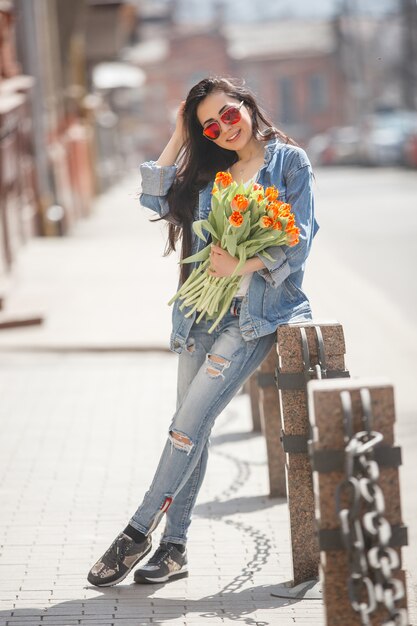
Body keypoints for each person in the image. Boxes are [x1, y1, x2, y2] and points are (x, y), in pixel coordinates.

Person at [87, 76, 319, 587]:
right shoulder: (214, 174)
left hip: (251, 319)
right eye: (210, 127)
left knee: (186, 426)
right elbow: (153, 198)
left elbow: (298, 243)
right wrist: (180, 132)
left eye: (227, 115)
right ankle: (174, 549)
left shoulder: (288, 163)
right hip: (201, 318)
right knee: (193, 428)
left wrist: (242, 265)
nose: (223, 130)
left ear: (247, 105)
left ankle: (137, 529)